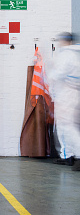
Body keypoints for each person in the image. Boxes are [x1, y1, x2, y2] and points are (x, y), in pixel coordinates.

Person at [48, 32, 80, 170]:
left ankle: (74, 156)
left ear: (65, 41)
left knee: (67, 126)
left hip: (66, 94)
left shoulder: (67, 55)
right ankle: (68, 155)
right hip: (73, 94)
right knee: (69, 126)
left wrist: (49, 73)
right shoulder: (76, 54)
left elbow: (57, 74)